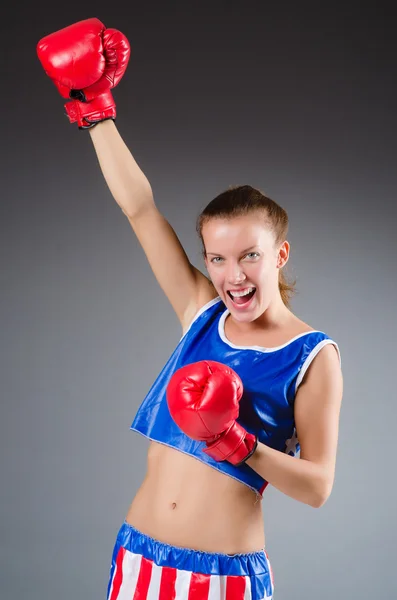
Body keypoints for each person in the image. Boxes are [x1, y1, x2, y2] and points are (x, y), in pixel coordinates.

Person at [37, 18, 343, 600]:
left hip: (223, 578)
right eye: (218, 259)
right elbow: (140, 210)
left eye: (250, 256)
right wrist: (96, 115)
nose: (234, 276)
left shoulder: (312, 356)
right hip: (137, 558)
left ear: (279, 254)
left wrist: (239, 442)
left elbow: (318, 486)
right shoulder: (201, 311)